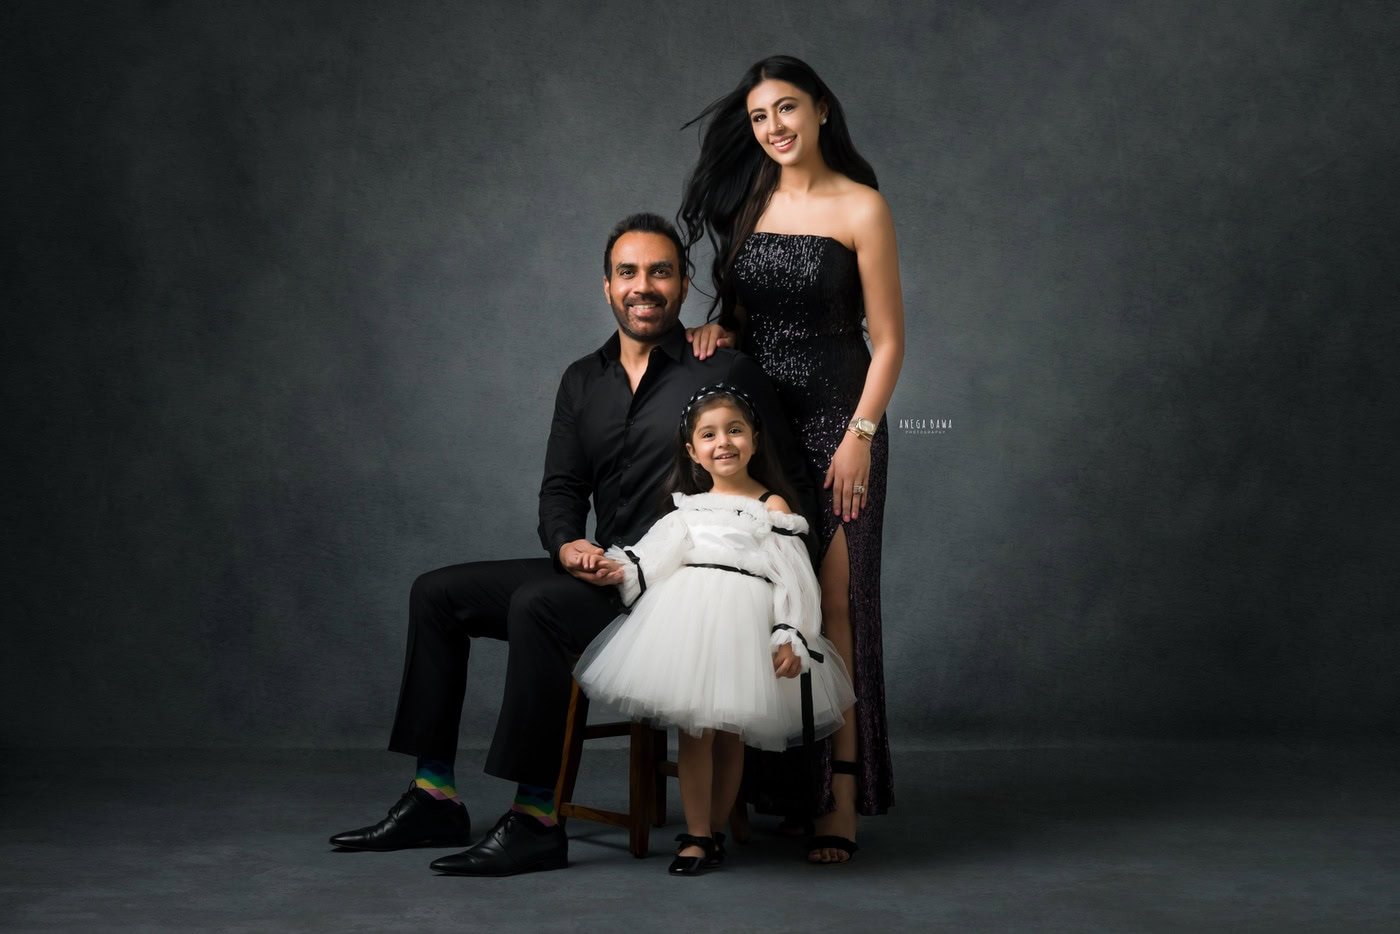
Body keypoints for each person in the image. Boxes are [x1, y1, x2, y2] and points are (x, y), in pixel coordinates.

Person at [327, 213, 815, 876]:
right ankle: (434, 795)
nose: (644, 286)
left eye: (661, 272)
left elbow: (781, 480)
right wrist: (566, 547)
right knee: (437, 594)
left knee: (539, 606)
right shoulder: (582, 379)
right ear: (607, 286)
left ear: (683, 283)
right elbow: (560, 489)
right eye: (628, 273)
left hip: (679, 587)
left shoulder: (719, 368)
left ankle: (536, 817)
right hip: (600, 568)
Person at [677, 55, 905, 863]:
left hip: (840, 429)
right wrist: (714, 331)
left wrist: (861, 437)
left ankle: (838, 798)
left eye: (786, 109)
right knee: (767, 606)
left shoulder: (861, 207)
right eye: (759, 116)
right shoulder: (746, 205)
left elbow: (890, 342)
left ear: (821, 111)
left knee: (834, 613)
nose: (772, 127)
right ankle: (777, 792)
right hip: (761, 437)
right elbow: (739, 316)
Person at [574, 385, 855, 875]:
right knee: (695, 732)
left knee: (730, 735)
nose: (723, 442)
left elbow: (795, 579)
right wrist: (616, 568)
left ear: (753, 438)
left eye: (734, 430)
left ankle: (717, 830)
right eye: (709, 435)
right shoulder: (689, 508)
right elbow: (654, 556)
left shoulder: (772, 508)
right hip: (688, 623)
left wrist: (791, 634)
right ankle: (697, 835)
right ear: (692, 450)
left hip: (743, 628)